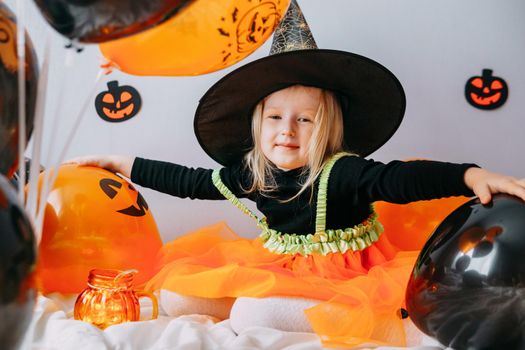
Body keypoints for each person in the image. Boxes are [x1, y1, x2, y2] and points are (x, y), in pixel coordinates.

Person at [68, 1, 525, 347]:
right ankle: (259, 306)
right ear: (257, 125)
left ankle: (381, 321)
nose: (287, 131)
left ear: (326, 129)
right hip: (276, 266)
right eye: (275, 119)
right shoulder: (253, 172)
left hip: (343, 276)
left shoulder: (342, 172)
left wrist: (469, 175)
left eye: (305, 120)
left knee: (248, 316)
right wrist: (122, 164)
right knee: (176, 297)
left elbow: (403, 180)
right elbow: (188, 182)